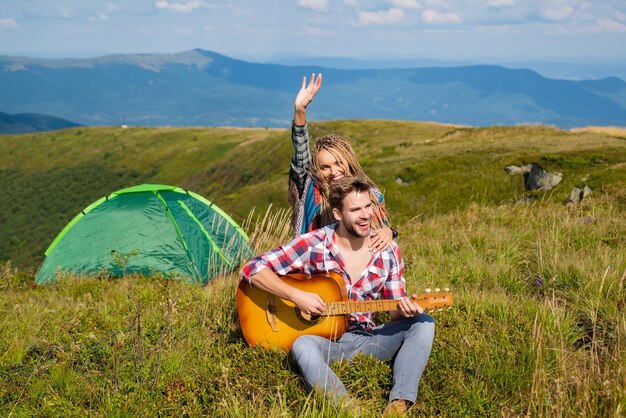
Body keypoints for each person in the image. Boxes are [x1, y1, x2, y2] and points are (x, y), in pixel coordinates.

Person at [241, 176, 435, 416]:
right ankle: (349, 409)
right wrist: (296, 296)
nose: (365, 215)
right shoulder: (314, 244)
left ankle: (399, 404)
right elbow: (252, 268)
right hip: (325, 342)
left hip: (368, 338)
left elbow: (395, 311)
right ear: (337, 214)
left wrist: (406, 308)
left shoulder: (388, 250)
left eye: (368, 207)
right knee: (301, 345)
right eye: (355, 210)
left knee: (424, 322)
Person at [289, 73, 396, 252]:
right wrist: (300, 111)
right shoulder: (311, 191)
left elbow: (381, 229)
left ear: (349, 161)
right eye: (324, 167)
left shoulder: (372, 196)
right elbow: (300, 153)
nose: (333, 171)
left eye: (338, 163)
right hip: (314, 269)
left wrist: (389, 232)